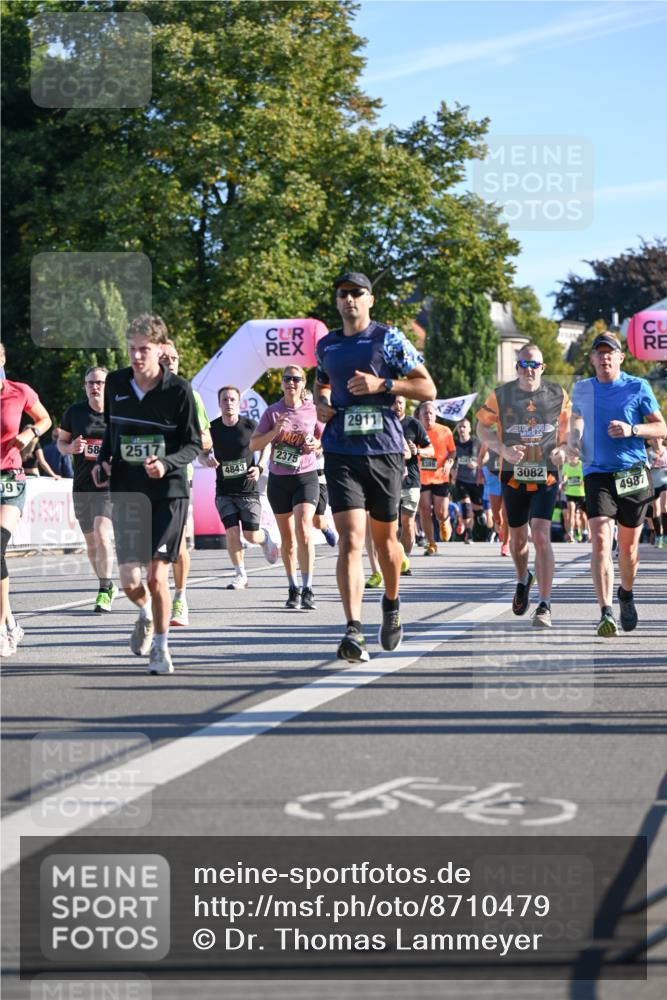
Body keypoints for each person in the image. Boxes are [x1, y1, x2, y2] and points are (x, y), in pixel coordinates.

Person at [314, 271, 436, 661]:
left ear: (370, 300)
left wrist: (383, 385)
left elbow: (426, 388)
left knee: (386, 543)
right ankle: (353, 629)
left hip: (383, 449)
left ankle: (392, 603)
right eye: (343, 294)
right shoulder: (327, 345)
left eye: (357, 293)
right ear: (336, 301)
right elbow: (321, 384)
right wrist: (323, 403)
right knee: (350, 539)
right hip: (340, 450)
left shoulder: (389, 339)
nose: (349, 299)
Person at [93, 314, 202, 674]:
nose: (137, 356)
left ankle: (161, 648)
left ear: (160, 349)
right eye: (132, 349)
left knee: (157, 577)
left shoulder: (178, 391)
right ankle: (145, 614)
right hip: (127, 492)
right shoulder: (117, 383)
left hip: (168, 492)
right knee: (129, 582)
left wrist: (167, 463)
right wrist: (103, 460)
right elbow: (112, 429)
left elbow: (193, 445)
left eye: (144, 349)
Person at [568, 332, 666, 636]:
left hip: (632, 473)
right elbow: (576, 419)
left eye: (610, 352)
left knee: (629, 548)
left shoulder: (638, 386)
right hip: (597, 473)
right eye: (599, 353)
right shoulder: (583, 388)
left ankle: (626, 592)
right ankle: (605, 611)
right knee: (599, 538)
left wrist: (632, 428)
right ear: (593, 358)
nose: (605, 357)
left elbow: (661, 426)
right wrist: (573, 439)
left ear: (621, 357)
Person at [476, 344, 570, 629]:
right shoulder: (501, 394)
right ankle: (522, 578)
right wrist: (502, 449)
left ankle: (544, 604)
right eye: (523, 364)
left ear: (543, 367)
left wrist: (563, 450)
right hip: (512, 476)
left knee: (540, 535)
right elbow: (482, 427)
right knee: (517, 540)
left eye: (534, 364)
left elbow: (570, 432)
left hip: (546, 476)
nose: (529, 369)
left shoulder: (558, 394)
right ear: (516, 366)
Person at [250, 365, 323, 610]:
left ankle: (309, 587)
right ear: (282, 383)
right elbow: (254, 444)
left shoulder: (313, 411)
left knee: (304, 529)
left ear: (303, 384)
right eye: (287, 379)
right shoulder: (272, 412)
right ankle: (293, 587)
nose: (291, 383)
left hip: (305, 476)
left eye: (296, 379)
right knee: (288, 540)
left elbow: (325, 437)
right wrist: (274, 431)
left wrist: (316, 444)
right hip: (280, 480)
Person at [0, 342, 52, 656]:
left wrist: (31, 432)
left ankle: (2, 628)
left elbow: (46, 419)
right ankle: (9, 621)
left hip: (10, 480)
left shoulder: (19, 391)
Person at [201, 384, 278, 590]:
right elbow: (201, 452)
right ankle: (240, 574)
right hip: (224, 491)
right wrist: (206, 459)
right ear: (219, 404)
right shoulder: (213, 428)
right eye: (224, 400)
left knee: (251, 535)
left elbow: (267, 446)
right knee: (232, 532)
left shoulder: (250, 426)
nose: (228, 403)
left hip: (248, 490)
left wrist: (260, 467)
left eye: (232, 399)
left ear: (238, 403)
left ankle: (264, 538)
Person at [159, 341, 213, 624]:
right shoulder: (143, 396)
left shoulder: (191, 396)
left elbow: (206, 439)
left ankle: (180, 599)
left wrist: (183, 438)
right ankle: (156, 598)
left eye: (175, 357)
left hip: (179, 476)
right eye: (165, 358)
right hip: (146, 477)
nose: (171, 362)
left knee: (176, 543)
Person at [58, 366, 117, 612]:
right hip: (82, 484)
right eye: (91, 382)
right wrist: (70, 448)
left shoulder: (118, 413)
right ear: (85, 386)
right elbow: (61, 442)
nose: (95, 387)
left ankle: (104, 589)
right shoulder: (75, 412)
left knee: (102, 534)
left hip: (109, 486)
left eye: (100, 383)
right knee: (91, 543)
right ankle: (108, 583)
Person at [393, 394, 433, 573]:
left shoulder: (413, 424)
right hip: (388, 480)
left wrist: (417, 450)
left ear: (404, 404)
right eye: (394, 402)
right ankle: (393, 557)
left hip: (411, 481)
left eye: (400, 402)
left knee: (408, 523)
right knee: (391, 524)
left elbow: (430, 450)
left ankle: (404, 560)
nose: (397, 405)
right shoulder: (383, 423)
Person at [417, 401, 457, 555]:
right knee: (425, 511)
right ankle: (431, 543)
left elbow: (452, 451)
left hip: (441, 476)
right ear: (420, 416)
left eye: (431, 413)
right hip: (422, 477)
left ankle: (444, 520)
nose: (428, 416)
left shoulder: (445, 431)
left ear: (435, 415)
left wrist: (449, 462)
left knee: (440, 512)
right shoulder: (416, 430)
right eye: (425, 414)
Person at [451, 418, 486, 543]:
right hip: (461, 480)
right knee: (465, 507)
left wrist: (477, 463)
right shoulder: (454, 444)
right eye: (460, 427)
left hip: (475, 481)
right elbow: (452, 460)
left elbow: (485, 456)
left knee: (478, 513)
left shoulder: (476, 442)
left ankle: (481, 524)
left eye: (464, 427)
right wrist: (452, 472)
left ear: (470, 429)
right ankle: (469, 534)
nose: (462, 429)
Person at [478, 443, 510, 556]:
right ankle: (499, 525)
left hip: (509, 478)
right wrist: (481, 471)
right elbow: (481, 456)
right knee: (497, 517)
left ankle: (505, 545)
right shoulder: (489, 438)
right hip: (494, 478)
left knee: (507, 514)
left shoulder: (513, 435)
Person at [561, 456, 588, 543]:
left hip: (581, 493)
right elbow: (564, 477)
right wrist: (564, 482)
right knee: (571, 512)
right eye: (570, 455)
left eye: (574, 455)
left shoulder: (581, 465)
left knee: (582, 515)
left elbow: (585, 476)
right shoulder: (565, 465)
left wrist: (583, 482)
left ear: (577, 456)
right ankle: (571, 533)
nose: (572, 457)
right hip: (570, 493)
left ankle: (584, 531)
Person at [647, 437, 667, 548]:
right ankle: (659, 536)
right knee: (656, 509)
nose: (656, 440)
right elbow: (644, 466)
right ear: (650, 441)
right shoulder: (648, 452)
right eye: (654, 439)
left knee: (664, 506)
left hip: (665, 481)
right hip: (653, 484)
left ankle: (665, 538)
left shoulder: (666, 450)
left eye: (658, 438)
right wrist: (651, 466)